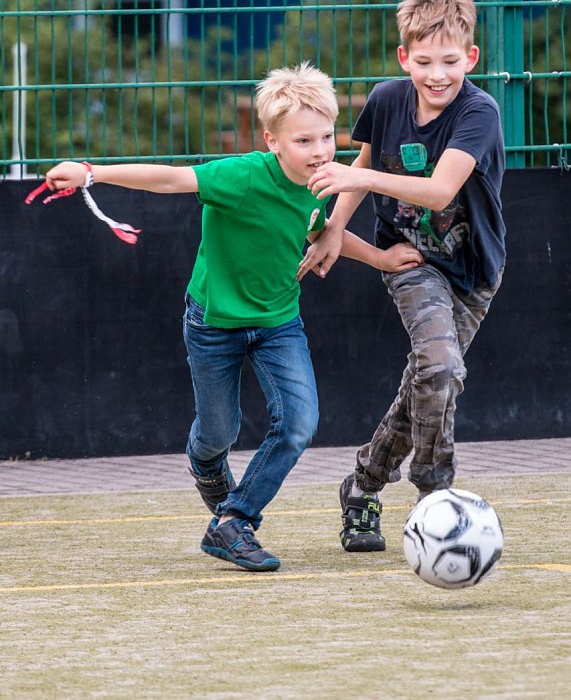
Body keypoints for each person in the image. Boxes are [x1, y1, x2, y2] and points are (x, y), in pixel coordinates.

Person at [45, 62, 423, 572]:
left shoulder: (321, 185)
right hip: (213, 325)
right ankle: (205, 465)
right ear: (272, 141)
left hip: (278, 323)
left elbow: (317, 230)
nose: (319, 151)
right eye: (303, 141)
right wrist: (92, 173)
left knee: (299, 424)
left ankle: (234, 521)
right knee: (219, 433)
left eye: (325, 137)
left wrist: (379, 258)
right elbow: (170, 179)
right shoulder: (241, 176)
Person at [298, 0, 506, 553]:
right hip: (409, 259)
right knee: (439, 367)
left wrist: (358, 175)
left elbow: (438, 191)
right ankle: (436, 497)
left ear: (471, 57)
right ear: (403, 57)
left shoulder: (479, 112)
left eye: (450, 61)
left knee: (430, 379)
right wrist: (334, 229)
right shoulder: (387, 99)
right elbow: (361, 170)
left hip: (473, 271)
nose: (437, 74)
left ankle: (362, 486)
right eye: (424, 61)